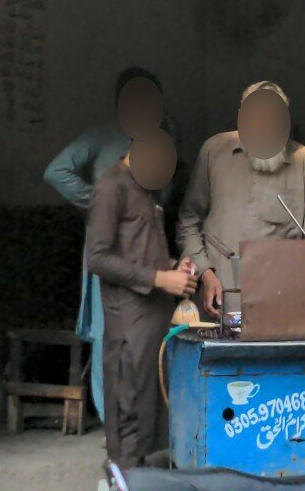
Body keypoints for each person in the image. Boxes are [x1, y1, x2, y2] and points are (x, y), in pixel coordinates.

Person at [43, 66, 165, 425]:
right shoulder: (101, 136)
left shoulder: (160, 140)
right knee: (107, 333)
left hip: (148, 250)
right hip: (110, 248)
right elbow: (55, 171)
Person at [86, 130, 197, 468]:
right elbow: (97, 259)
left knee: (150, 414)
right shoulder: (111, 187)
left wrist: (174, 267)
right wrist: (160, 279)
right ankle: (122, 477)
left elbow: (140, 251)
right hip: (128, 323)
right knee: (129, 411)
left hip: (152, 321)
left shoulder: (146, 190)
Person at [177, 81, 305, 318]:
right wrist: (205, 274)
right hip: (219, 307)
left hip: (280, 308)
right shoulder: (214, 151)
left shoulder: (303, 160)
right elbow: (188, 222)